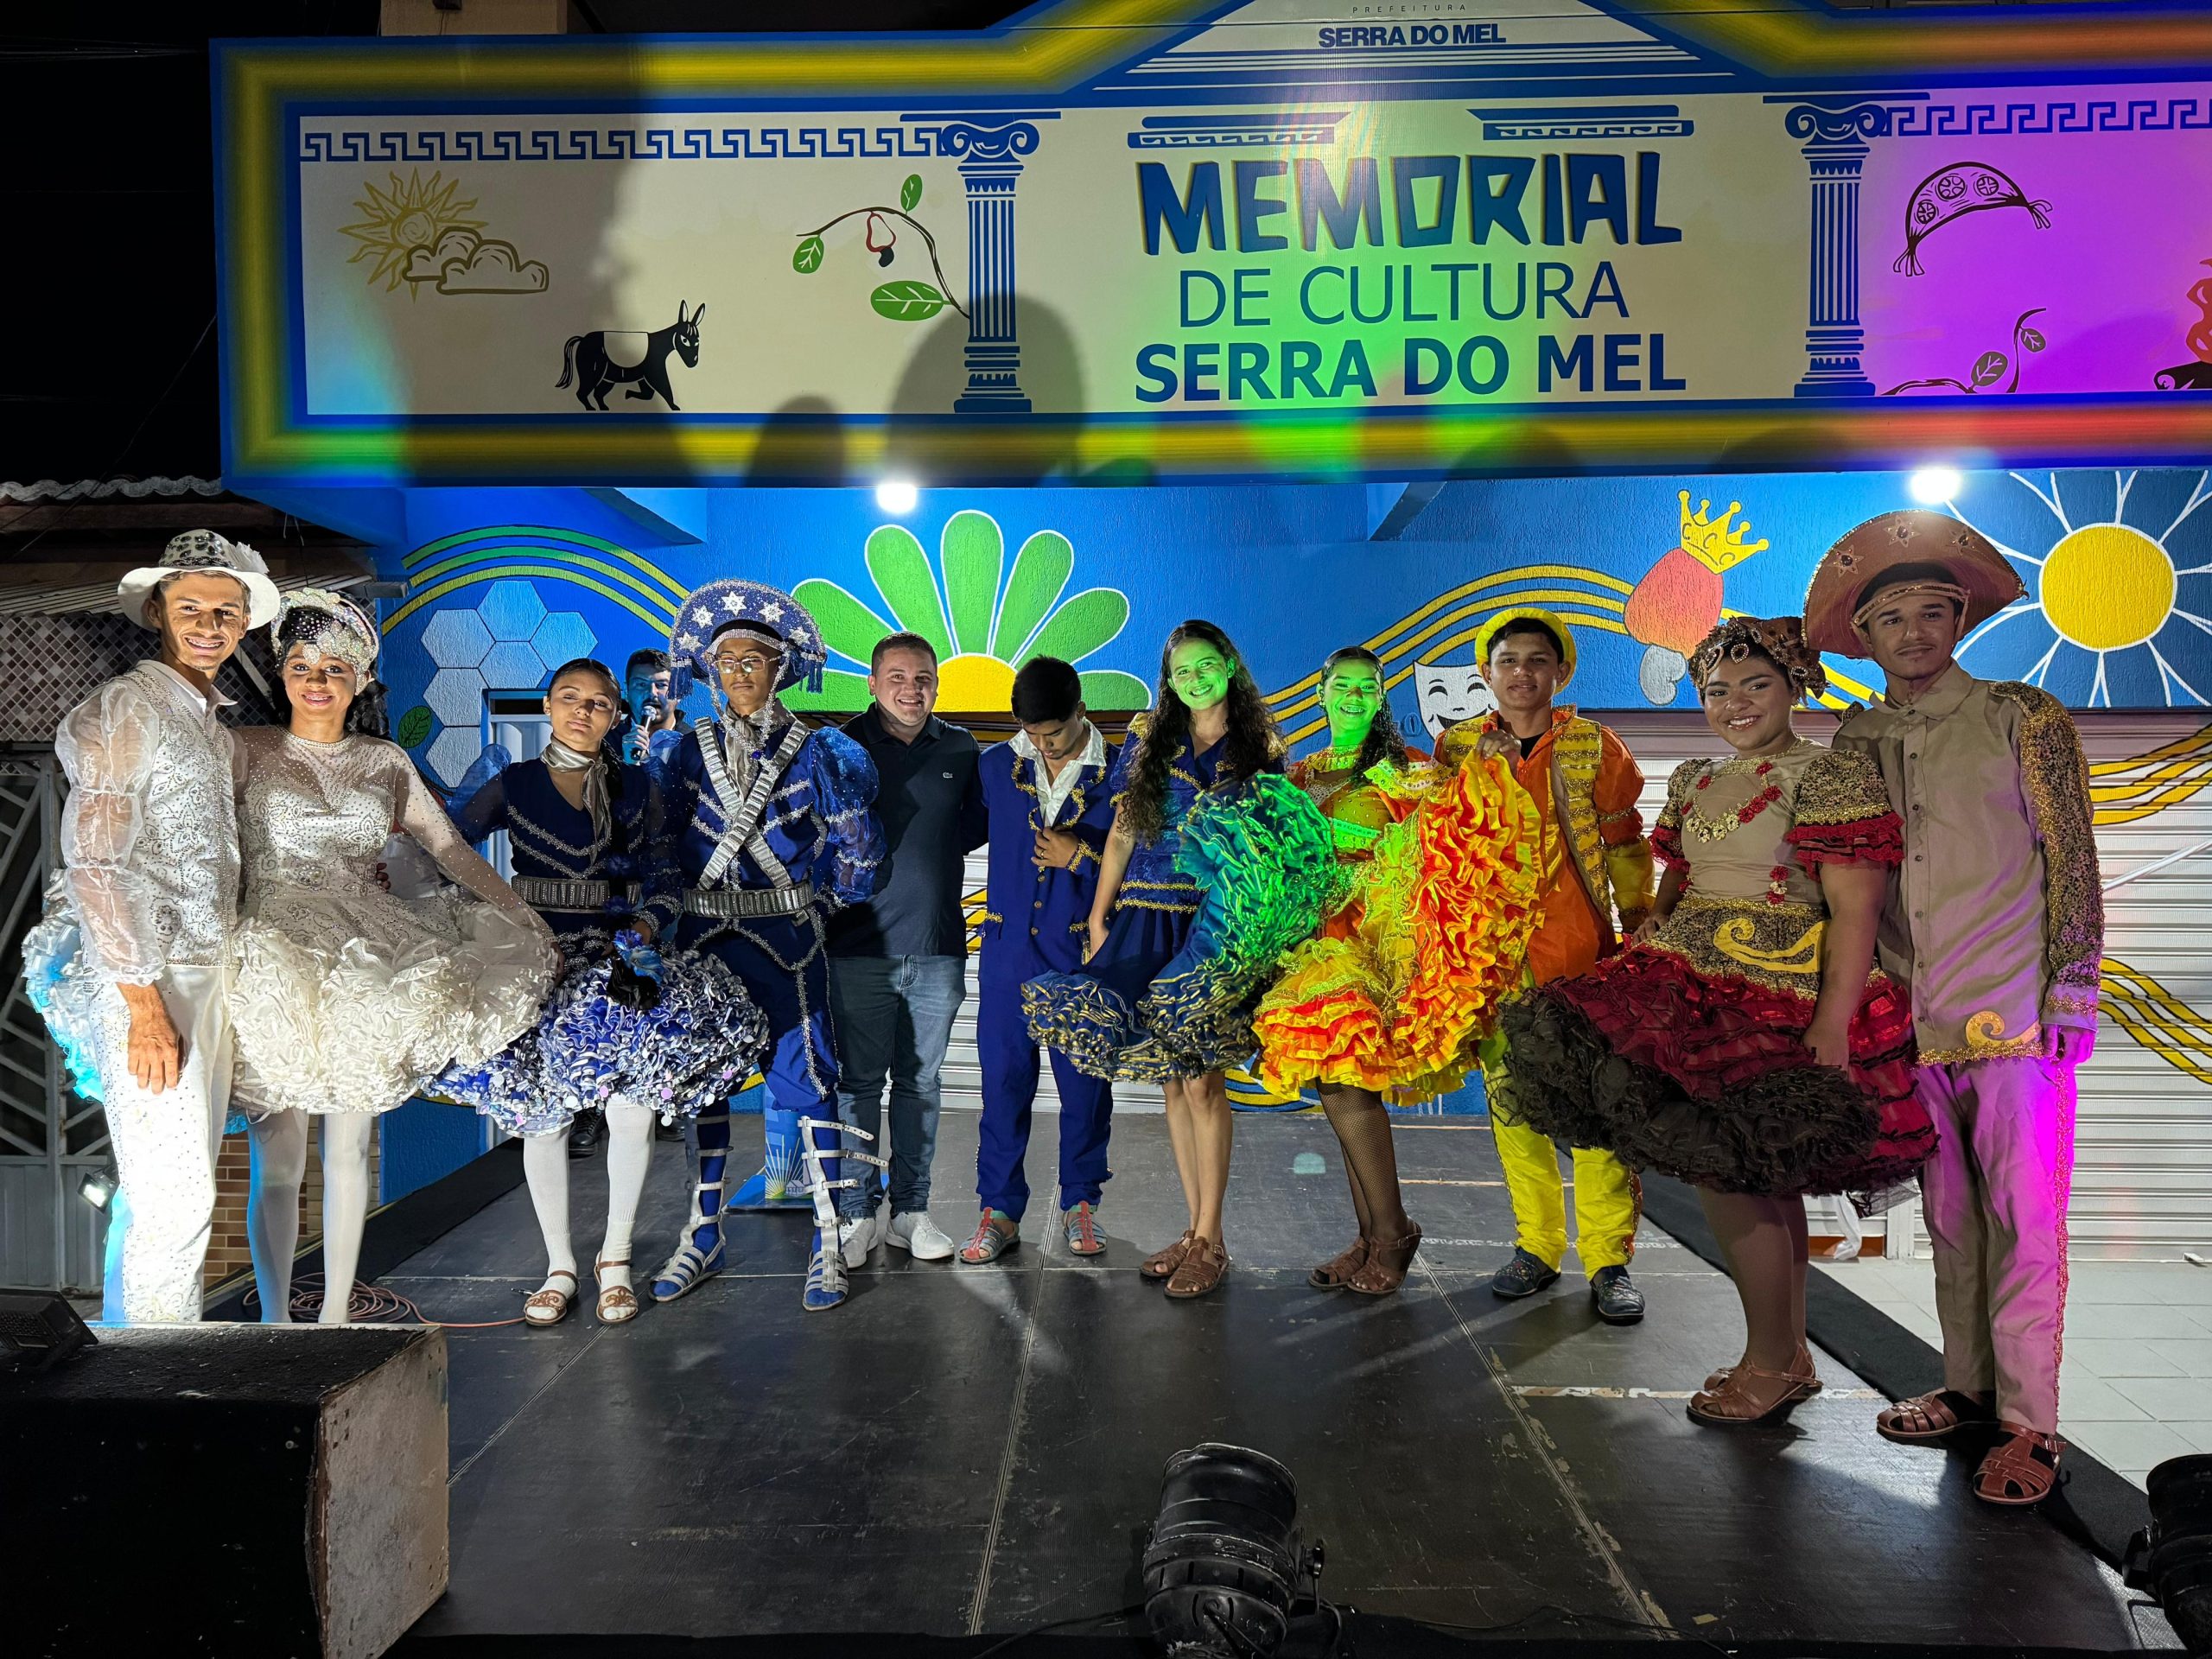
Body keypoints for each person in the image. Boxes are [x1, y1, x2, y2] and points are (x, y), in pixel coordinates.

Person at [1494, 617, 1934, 1424]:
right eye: (1717, 691)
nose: (1736, 704)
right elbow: (1679, 880)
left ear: (1795, 686)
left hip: (1776, 999)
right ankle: (1785, 1354)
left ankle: (1770, 1360)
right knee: (1749, 1181)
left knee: (1740, 1181)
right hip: (1687, 988)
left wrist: (1833, 1021)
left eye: (1756, 685)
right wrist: (1653, 935)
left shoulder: (1831, 774)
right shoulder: (1698, 776)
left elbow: (1856, 909)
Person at [1806, 511, 2102, 1506]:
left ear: (1958, 619)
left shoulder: (2025, 717)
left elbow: (2073, 860)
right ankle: (1970, 1391)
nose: (1913, 633)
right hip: (1909, 1021)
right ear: (1864, 636)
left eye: (1930, 613)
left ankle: (2031, 1427)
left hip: (2014, 1015)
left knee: (2025, 1220)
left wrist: (2071, 986)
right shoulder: (1857, 736)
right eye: (1890, 618)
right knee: (1950, 1219)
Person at [230, 591, 558, 1325]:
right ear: (282, 674)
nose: (317, 681)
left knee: (348, 1150)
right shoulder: (244, 750)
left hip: (366, 956)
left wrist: (520, 914)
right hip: (274, 952)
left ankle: (336, 1318)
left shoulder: (385, 760)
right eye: (302, 666)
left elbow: (446, 848)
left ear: (360, 680)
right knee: (278, 1158)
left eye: (335, 668)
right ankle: (275, 1325)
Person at [437, 658, 770, 1325]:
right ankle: (559, 1266)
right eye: (569, 698)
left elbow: (666, 880)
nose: (582, 712)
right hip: (535, 963)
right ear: (547, 706)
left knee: (633, 1110)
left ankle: (614, 1259)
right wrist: (492, 920)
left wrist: (644, 927)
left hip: (619, 961)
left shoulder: (638, 788)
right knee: (543, 1118)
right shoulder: (512, 783)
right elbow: (447, 849)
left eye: (597, 703)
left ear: (615, 714)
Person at [1023, 620, 1338, 1300]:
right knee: (1172, 1082)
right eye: (1181, 671)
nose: (1194, 680)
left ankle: (1212, 1239)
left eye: (1205, 666)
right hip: (1143, 919)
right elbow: (1123, 832)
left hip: (1211, 927)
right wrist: (1100, 916)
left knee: (1202, 1084)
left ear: (1230, 666)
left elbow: (1272, 852)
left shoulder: (1260, 747)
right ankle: (1193, 1230)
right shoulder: (1149, 736)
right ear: (1169, 681)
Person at [20, 530, 279, 1322]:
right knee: (175, 1196)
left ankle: (133, 1358)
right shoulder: (128, 707)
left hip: (209, 970)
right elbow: (96, 863)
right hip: (151, 976)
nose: (209, 625)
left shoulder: (210, 722)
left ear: (243, 623)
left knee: (168, 1188)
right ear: (158, 612)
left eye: (225, 611)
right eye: (190, 607)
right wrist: (141, 1001)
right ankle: (162, 1372)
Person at [1252, 646, 1541, 1295]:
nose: (1354, 696)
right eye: (1342, 685)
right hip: (1310, 942)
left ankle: (1390, 1233)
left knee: (1346, 1080)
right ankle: (1372, 1235)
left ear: (1381, 696)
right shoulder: (1300, 773)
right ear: (1322, 693)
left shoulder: (1406, 769)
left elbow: (1447, 837)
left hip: (1376, 942)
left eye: (1367, 686)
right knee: (1337, 1082)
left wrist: (1484, 767)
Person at [650, 580, 886, 1313]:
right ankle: (703, 1232)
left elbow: (861, 852)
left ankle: (828, 1237)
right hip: (702, 943)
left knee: (808, 1083)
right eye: (728, 661)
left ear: (782, 668)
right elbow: (660, 844)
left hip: (788, 942)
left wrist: (822, 904)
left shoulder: (822, 752)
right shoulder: (681, 752)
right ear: (710, 669)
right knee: (707, 1084)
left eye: (755, 659)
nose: (741, 672)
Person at [1438, 607, 1656, 1325]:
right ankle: (1536, 1247)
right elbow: (1440, 848)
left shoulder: (1596, 746)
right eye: (1508, 661)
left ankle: (1609, 1260)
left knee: (1597, 1109)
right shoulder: (1459, 747)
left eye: (1537, 660)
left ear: (1560, 671)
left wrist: (1638, 926)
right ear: (1486, 672)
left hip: (1580, 956)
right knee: (1514, 1108)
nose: (1522, 673)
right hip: (1493, 959)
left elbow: (1626, 846)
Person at [828, 632, 988, 1265]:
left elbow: (969, 830)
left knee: (921, 1084)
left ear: (937, 686)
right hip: (856, 947)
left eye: (922, 678)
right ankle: (856, 1214)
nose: (910, 689)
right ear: (872, 683)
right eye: (896, 676)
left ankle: (910, 1213)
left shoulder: (961, 748)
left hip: (938, 946)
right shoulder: (838, 748)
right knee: (859, 1085)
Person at [958, 657, 1120, 1264]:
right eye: (1031, 733)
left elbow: (1148, 867)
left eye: (1053, 733)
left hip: (1081, 956)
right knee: (1002, 1085)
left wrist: (1082, 858)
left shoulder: (1123, 772)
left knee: (1084, 1089)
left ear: (1081, 711)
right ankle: (998, 1211)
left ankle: (1081, 1203)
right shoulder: (995, 766)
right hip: (1005, 956)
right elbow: (956, 836)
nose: (1043, 746)